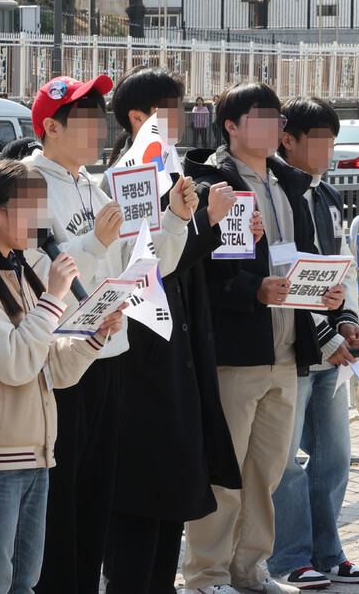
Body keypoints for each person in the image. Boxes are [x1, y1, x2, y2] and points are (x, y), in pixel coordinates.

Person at [22, 75, 196, 594]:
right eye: (86, 119)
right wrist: (95, 241)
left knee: (97, 498)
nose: (99, 129)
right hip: (62, 360)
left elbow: (145, 268)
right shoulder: (26, 183)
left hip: (110, 354)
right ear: (52, 128)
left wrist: (175, 221)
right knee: (63, 500)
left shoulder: (95, 186)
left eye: (100, 116)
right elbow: (37, 268)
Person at [0, 158, 125, 594]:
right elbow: (15, 361)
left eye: (42, 205)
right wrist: (55, 297)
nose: (39, 218)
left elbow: (50, 367)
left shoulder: (18, 272)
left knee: (25, 580)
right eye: (27, 206)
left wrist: (93, 337)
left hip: (35, 451)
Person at [182, 82, 342, 594]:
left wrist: (326, 296)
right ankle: (206, 575)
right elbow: (202, 271)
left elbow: (302, 254)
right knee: (225, 473)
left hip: (287, 347)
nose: (275, 126)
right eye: (262, 116)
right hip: (236, 349)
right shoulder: (210, 184)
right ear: (230, 126)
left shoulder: (286, 182)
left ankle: (250, 570)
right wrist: (255, 290)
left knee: (268, 472)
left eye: (277, 117)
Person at [101, 67, 248, 594]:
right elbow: (146, 264)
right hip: (141, 355)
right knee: (142, 503)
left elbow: (185, 263)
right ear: (137, 117)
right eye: (168, 108)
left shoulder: (170, 171)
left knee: (170, 501)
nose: (180, 119)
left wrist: (223, 229)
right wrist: (200, 222)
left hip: (178, 350)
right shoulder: (127, 178)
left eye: (181, 107)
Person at [268, 97, 359, 589]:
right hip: (292, 346)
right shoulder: (276, 196)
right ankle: (289, 557)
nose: (328, 149)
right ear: (286, 139)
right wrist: (324, 331)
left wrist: (348, 320)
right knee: (287, 459)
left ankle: (328, 553)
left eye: (332, 139)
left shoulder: (328, 196)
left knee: (333, 454)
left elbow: (343, 265)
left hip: (334, 351)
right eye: (319, 139)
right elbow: (282, 273)